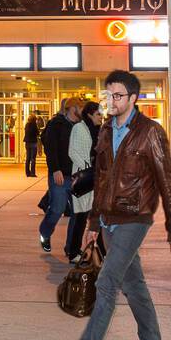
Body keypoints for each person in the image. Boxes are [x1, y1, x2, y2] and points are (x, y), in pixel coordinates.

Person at [60, 70, 171, 340]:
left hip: (135, 216)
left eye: (117, 96)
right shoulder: (104, 132)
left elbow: (167, 180)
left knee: (107, 282)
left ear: (132, 98)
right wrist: (92, 221)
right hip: (108, 218)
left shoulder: (150, 132)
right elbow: (101, 180)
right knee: (134, 285)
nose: (111, 101)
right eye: (108, 95)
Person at [39, 97, 82, 254]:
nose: (82, 110)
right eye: (80, 107)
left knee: (78, 213)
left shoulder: (81, 126)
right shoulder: (55, 124)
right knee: (57, 209)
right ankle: (45, 233)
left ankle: (72, 248)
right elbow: (51, 149)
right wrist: (55, 169)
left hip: (77, 176)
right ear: (72, 108)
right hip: (60, 175)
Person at [65, 101, 103, 263]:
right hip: (83, 177)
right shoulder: (79, 128)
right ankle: (73, 252)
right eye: (98, 114)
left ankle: (99, 250)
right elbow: (72, 151)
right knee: (80, 216)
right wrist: (87, 167)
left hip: (94, 176)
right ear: (89, 114)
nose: (101, 117)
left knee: (94, 216)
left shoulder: (97, 130)